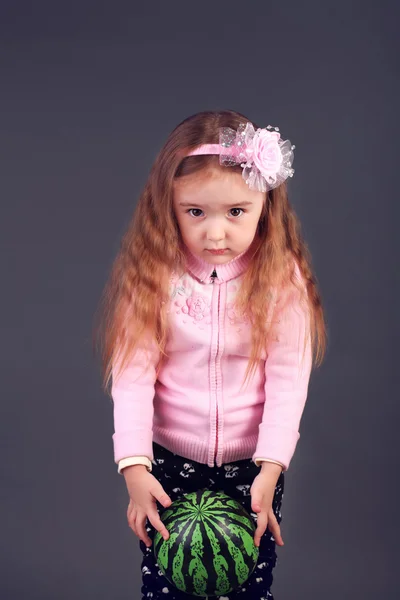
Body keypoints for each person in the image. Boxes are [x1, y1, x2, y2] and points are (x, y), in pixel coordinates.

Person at [93, 110, 327, 599]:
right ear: (169, 208)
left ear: (265, 204)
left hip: (253, 468)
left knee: (246, 584)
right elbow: (133, 374)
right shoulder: (153, 276)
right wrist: (134, 467)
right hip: (168, 463)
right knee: (169, 584)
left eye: (235, 212)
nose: (215, 234)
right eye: (195, 212)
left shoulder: (281, 280)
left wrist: (272, 467)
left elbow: (289, 377)